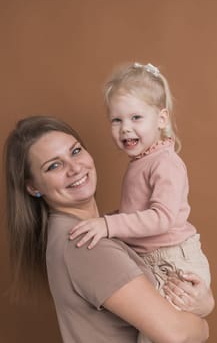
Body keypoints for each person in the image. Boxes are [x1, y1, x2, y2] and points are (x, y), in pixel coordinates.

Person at [4, 115, 213, 343]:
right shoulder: (85, 244)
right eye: (54, 165)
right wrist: (203, 322)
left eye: (75, 151)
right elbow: (178, 335)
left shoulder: (88, 232)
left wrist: (203, 303)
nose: (75, 168)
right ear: (33, 187)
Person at [68, 63, 212, 342]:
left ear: (161, 119)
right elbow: (137, 212)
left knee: (161, 333)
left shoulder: (165, 163)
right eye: (116, 120)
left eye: (136, 118)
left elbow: (161, 218)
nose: (125, 129)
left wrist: (109, 224)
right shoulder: (143, 160)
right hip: (152, 258)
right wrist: (105, 221)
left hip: (173, 260)